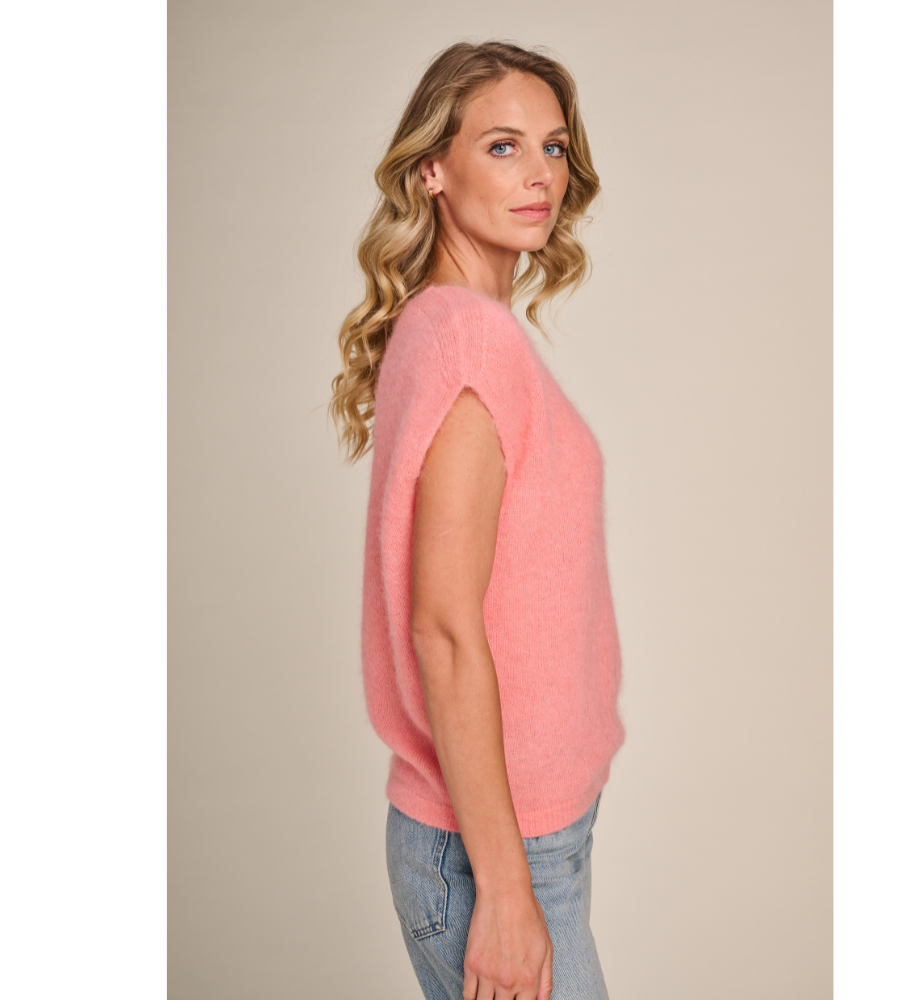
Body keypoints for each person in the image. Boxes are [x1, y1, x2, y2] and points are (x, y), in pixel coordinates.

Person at [330, 41, 625, 1000]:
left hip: (518, 836)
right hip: (492, 852)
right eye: (503, 146)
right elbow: (444, 629)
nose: (540, 174)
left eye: (553, 147)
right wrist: (503, 891)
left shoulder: (450, 325)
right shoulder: (467, 339)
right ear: (432, 169)